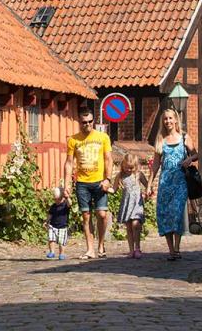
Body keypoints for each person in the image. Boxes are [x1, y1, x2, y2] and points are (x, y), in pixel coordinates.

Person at [147, 108, 198, 260]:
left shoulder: (184, 137)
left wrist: (190, 159)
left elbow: (196, 154)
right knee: (164, 215)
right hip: (165, 182)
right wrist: (149, 184)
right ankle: (171, 250)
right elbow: (155, 165)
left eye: (170, 118)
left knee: (176, 213)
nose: (168, 121)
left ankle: (177, 247)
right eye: (165, 119)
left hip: (180, 181)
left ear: (176, 120)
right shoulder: (160, 139)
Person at [63, 108, 113, 259]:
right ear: (80, 122)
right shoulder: (73, 140)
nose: (87, 125)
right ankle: (90, 249)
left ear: (94, 121)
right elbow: (69, 163)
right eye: (84, 122)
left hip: (99, 182)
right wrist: (67, 184)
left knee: (102, 214)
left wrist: (108, 179)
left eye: (90, 122)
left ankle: (101, 244)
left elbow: (108, 159)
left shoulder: (103, 137)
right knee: (86, 216)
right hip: (82, 183)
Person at [114, 153, 148, 259]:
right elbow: (114, 189)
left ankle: (137, 248)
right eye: (127, 167)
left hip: (137, 203)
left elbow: (147, 186)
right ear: (123, 165)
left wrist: (148, 192)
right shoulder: (120, 176)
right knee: (129, 227)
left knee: (135, 224)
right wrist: (106, 189)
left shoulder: (138, 175)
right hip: (127, 203)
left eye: (131, 168)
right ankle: (131, 250)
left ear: (136, 166)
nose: (129, 170)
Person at [45, 187, 69, 260]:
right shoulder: (53, 206)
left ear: (63, 198)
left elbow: (70, 203)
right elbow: (50, 214)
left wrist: (67, 197)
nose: (57, 201)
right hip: (53, 226)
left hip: (63, 227)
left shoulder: (65, 205)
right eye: (55, 199)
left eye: (58, 199)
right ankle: (52, 252)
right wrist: (46, 221)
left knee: (62, 242)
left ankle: (62, 253)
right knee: (51, 239)